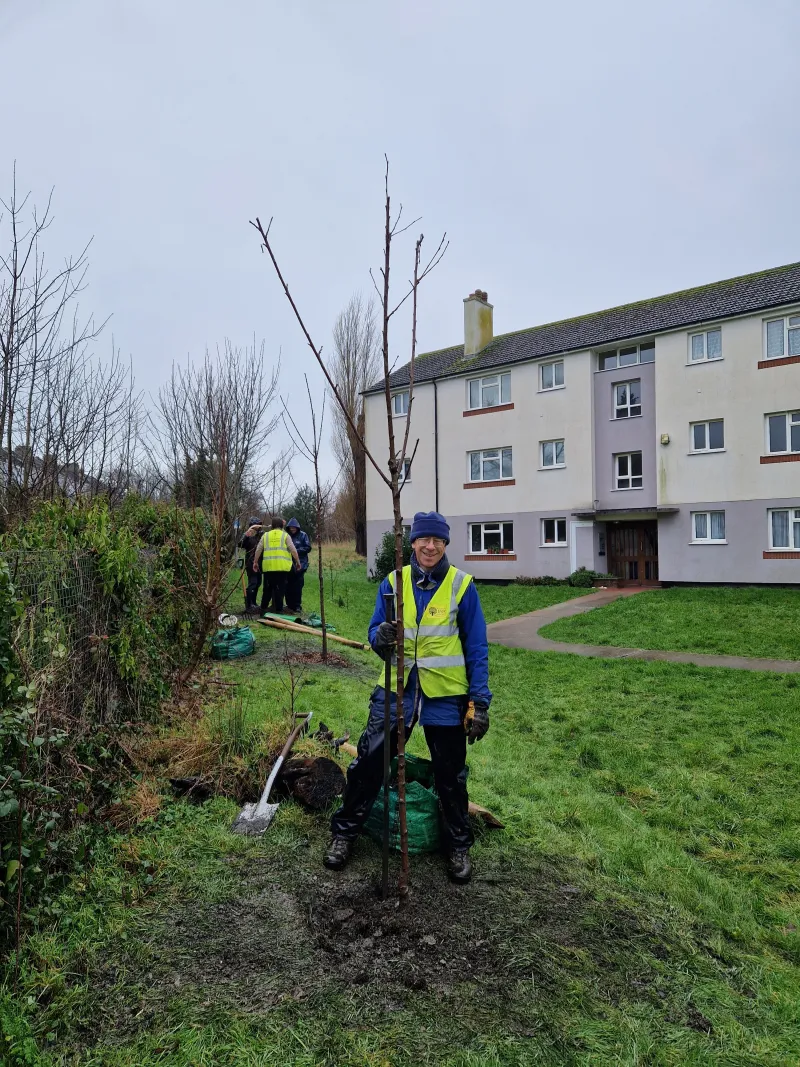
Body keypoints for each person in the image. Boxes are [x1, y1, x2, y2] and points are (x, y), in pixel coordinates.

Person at [324, 511, 491, 884]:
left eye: (437, 540)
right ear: (412, 542)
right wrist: (379, 635)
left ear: (445, 544)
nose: (430, 547)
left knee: (450, 774)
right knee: (370, 761)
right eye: (423, 540)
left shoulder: (462, 587)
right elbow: (373, 630)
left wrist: (479, 703)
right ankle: (344, 834)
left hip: (445, 695)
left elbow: (477, 647)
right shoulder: (393, 582)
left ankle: (458, 845)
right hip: (396, 689)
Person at [253, 517, 301, 616]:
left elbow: (258, 549)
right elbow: (293, 550)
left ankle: (263, 609)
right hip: (282, 568)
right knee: (280, 590)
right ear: (282, 526)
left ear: (272, 526)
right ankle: (279, 611)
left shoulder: (265, 536)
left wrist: (255, 562)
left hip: (268, 568)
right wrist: (297, 562)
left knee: (267, 590)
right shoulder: (285, 535)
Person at [285, 517, 311, 614]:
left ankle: (297, 605)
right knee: (288, 585)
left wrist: (296, 551)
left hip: (301, 564)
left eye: (294, 528)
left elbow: (308, 547)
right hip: (288, 564)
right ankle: (289, 605)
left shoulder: (303, 535)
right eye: (291, 528)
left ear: (297, 528)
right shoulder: (287, 536)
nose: (292, 529)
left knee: (298, 586)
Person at [239, 516, 264, 614]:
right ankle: (248, 605)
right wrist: (246, 535)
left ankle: (253, 602)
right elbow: (240, 544)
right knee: (252, 584)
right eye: (257, 525)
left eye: (259, 525)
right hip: (250, 563)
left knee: (258, 583)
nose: (259, 527)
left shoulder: (261, 536)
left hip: (260, 563)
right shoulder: (248, 536)